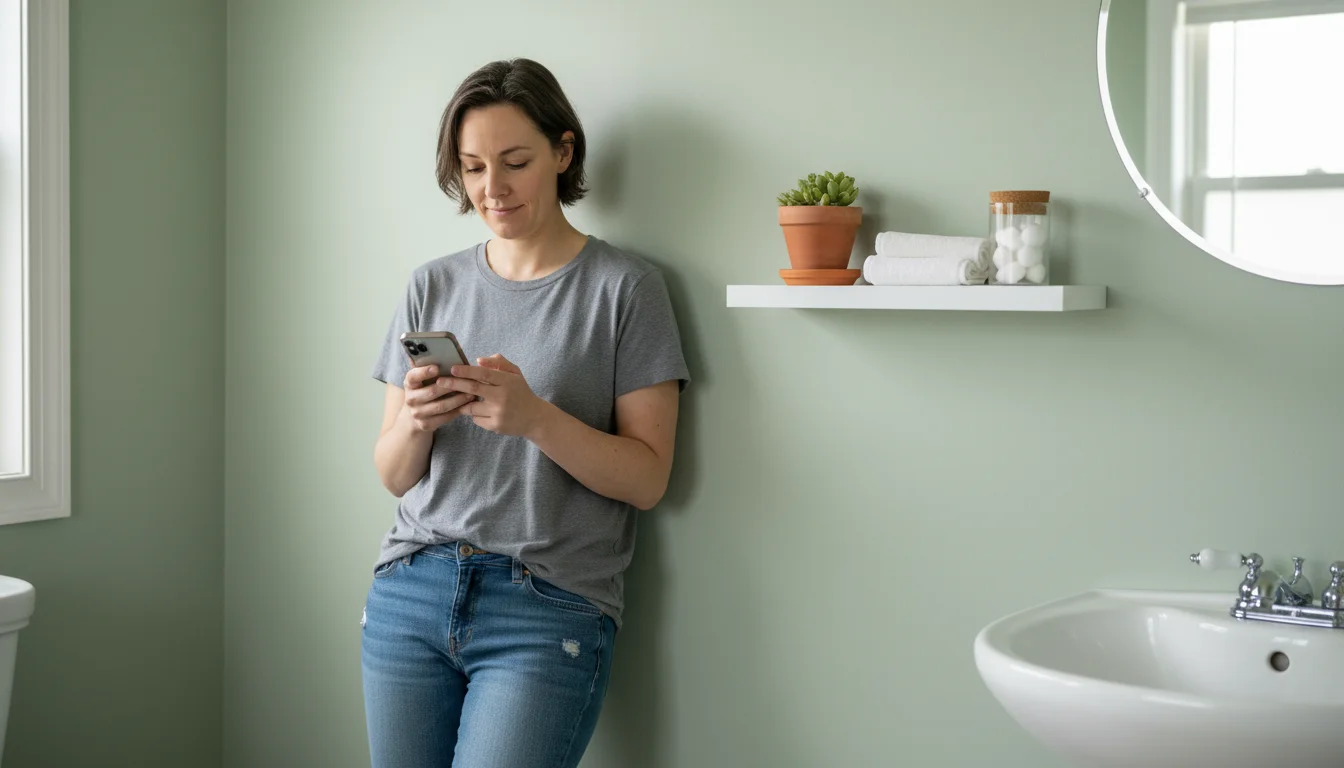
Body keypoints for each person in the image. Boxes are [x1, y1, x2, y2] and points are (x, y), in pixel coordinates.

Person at [361, 57, 690, 768]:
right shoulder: (431, 284)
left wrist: (535, 417)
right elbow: (391, 474)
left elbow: (648, 479)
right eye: (473, 167)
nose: (492, 189)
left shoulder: (626, 289)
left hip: (546, 606)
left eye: (514, 162)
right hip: (411, 590)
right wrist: (418, 421)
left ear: (562, 152)